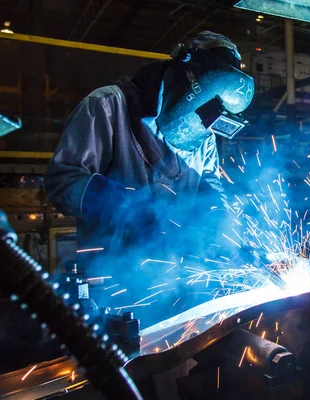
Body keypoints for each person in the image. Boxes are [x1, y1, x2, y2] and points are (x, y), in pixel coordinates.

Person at [44, 31, 255, 326]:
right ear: (184, 78)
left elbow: (210, 185)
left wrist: (225, 228)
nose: (200, 123)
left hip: (179, 285)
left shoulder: (204, 134)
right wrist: (132, 210)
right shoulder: (107, 106)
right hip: (111, 286)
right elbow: (63, 180)